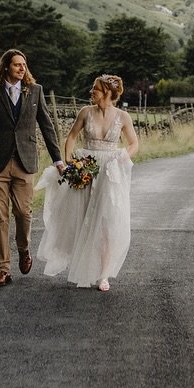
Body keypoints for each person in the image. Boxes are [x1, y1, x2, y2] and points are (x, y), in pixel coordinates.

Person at [36, 73, 139, 292]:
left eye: (96, 89)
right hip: (86, 165)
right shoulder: (85, 112)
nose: (91, 92)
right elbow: (72, 137)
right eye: (93, 88)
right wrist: (71, 161)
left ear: (108, 93)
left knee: (106, 223)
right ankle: (81, 264)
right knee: (80, 217)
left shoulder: (123, 117)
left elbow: (133, 144)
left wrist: (122, 157)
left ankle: (103, 274)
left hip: (110, 171)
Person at [0, 49, 65, 288]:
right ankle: (3, 268)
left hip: (25, 163)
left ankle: (24, 250)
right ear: (6, 67)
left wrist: (58, 160)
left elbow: (47, 127)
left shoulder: (35, 91)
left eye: (24, 65)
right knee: (0, 218)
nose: (22, 68)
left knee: (23, 214)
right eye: (17, 65)